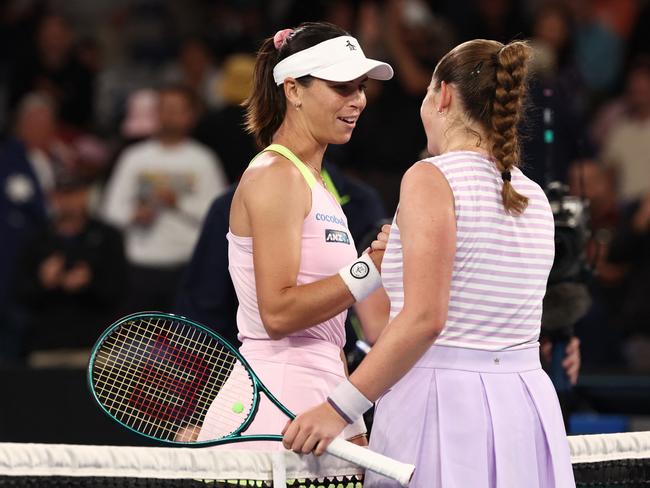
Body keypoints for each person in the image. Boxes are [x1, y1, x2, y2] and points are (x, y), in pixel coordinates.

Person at [283, 39, 576, 487]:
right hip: (526, 408)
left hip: (446, 408)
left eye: (424, 94)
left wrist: (337, 408)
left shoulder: (429, 177)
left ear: (443, 95)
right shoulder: (533, 195)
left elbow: (424, 320)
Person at [195, 22, 393, 446]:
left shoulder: (314, 183)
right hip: (278, 412)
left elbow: (328, 335)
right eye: (342, 87)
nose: (357, 100)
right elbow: (279, 314)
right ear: (293, 89)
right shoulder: (275, 175)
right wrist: (369, 270)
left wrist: (348, 414)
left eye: (360, 88)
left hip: (319, 405)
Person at [101, 84, 228, 314]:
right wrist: (135, 214)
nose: (169, 115)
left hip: (187, 269)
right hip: (139, 270)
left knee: (184, 347)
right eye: (164, 108)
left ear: (191, 115)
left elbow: (218, 217)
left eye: (176, 109)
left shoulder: (203, 160)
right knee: (138, 347)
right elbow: (110, 211)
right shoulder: (133, 158)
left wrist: (177, 203)